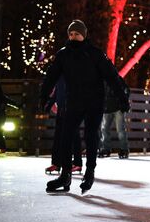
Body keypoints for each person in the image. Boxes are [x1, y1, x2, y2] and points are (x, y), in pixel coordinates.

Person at [40, 20, 129, 194]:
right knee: (66, 137)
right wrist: (44, 96)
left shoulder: (94, 54)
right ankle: (65, 176)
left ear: (84, 35)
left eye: (77, 34)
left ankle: (89, 172)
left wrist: (122, 98)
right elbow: (51, 76)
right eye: (71, 34)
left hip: (94, 102)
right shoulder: (63, 55)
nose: (74, 37)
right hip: (73, 101)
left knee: (90, 136)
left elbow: (112, 76)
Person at [44, 76, 83, 174]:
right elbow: (57, 91)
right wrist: (48, 105)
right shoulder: (60, 75)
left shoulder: (75, 72)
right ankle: (57, 163)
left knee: (74, 137)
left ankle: (77, 163)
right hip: (61, 110)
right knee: (58, 137)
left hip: (72, 110)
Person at [99, 77, 131, 159]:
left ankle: (124, 149)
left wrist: (123, 102)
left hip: (118, 108)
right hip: (107, 108)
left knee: (120, 129)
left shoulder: (117, 78)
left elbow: (126, 90)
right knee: (104, 129)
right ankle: (106, 148)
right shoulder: (102, 80)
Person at [0, 82, 20, 155]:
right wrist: (17, 105)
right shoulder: (2, 98)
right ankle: (1, 148)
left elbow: (11, 102)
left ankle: (1, 148)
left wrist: (17, 105)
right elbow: (11, 102)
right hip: (0, 116)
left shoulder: (1, 98)